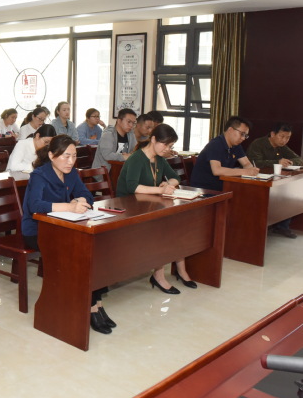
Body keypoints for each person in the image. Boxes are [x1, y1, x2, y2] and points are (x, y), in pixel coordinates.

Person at [20, 136, 115, 334]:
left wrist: (79, 200)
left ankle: (97, 302)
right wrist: (69, 207)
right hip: (37, 230)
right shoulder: (39, 175)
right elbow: (35, 205)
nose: (71, 161)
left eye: (74, 156)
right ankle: (89, 306)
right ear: (51, 155)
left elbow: (87, 195)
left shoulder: (71, 173)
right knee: (81, 253)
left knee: (97, 249)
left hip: (64, 227)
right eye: (66, 156)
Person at [116, 124, 197, 293]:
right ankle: (159, 276)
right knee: (163, 230)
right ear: (153, 139)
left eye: (170, 146)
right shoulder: (137, 158)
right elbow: (133, 187)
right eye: (165, 144)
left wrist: (167, 184)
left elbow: (175, 177)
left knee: (180, 225)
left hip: (148, 207)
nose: (167, 149)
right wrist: (160, 190)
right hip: (130, 210)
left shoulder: (159, 159)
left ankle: (181, 269)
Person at [246, 122, 301, 238]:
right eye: (282, 136)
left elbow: (299, 159)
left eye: (287, 137)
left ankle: (282, 227)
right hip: (256, 181)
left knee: (288, 196)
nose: (284, 140)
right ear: (272, 134)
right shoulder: (258, 144)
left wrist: (290, 162)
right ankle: (258, 229)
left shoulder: (282, 147)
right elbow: (255, 163)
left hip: (274, 180)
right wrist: (277, 162)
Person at [190, 115, 260, 191]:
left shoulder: (236, 146)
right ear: (230, 130)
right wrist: (245, 172)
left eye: (245, 135)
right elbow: (217, 170)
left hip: (222, 186)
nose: (243, 138)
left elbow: (246, 163)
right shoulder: (215, 144)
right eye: (242, 134)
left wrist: (251, 170)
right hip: (204, 189)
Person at [91, 108, 137, 173]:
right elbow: (107, 155)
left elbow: (135, 151)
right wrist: (123, 157)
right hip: (104, 173)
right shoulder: (108, 134)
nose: (131, 125)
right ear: (119, 121)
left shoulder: (131, 134)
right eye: (129, 122)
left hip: (121, 171)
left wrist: (131, 155)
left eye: (133, 123)